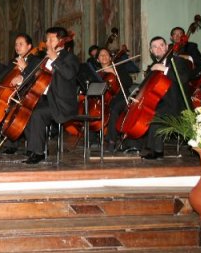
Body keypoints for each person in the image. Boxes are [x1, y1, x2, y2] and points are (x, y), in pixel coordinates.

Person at [23, 27, 80, 164]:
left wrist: (55, 59)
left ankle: (38, 152)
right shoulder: (44, 58)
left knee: (37, 113)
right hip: (46, 98)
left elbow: (69, 74)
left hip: (61, 102)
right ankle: (35, 148)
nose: (47, 42)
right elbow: (35, 77)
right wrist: (23, 76)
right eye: (47, 39)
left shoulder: (70, 58)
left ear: (61, 41)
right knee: (25, 110)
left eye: (51, 39)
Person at [133, 36, 190, 159]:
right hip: (159, 103)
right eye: (155, 47)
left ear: (167, 47)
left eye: (161, 45)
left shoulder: (177, 61)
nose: (158, 48)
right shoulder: (153, 66)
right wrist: (136, 94)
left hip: (176, 104)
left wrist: (164, 69)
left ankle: (157, 150)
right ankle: (135, 144)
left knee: (156, 115)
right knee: (143, 114)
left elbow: (184, 78)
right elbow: (144, 87)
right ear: (151, 51)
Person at [94, 48, 132, 152]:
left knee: (114, 109)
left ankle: (111, 141)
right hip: (105, 100)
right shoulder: (98, 74)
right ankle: (92, 138)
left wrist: (114, 73)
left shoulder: (118, 68)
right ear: (98, 60)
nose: (104, 56)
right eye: (101, 55)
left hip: (122, 98)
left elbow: (129, 82)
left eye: (106, 54)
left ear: (110, 57)